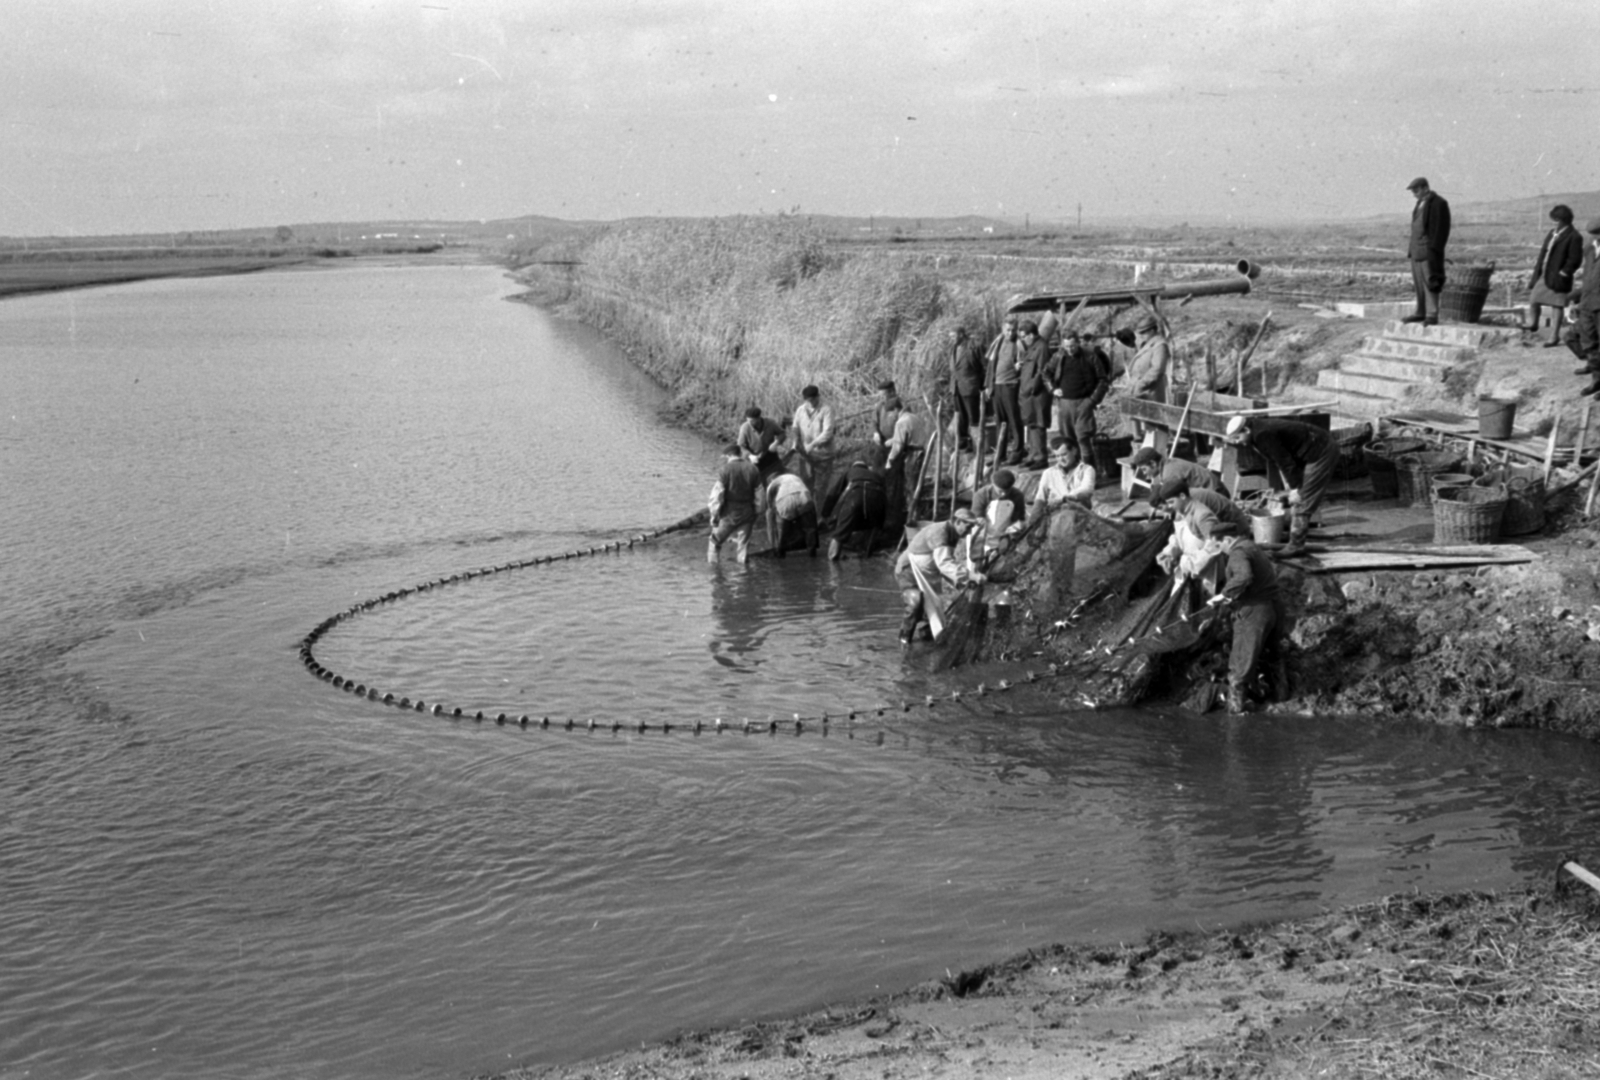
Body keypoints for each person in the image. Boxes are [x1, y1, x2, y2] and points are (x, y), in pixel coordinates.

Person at [1202, 523, 1288, 715]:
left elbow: (1244, 576)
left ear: (1227, 539)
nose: (1220, 550)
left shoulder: (1237, 553)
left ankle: (1235, 715)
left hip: (1254, 612)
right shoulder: (1252, 547)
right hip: (1275, 608)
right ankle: (1283, 698)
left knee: (1239, 666)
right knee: (1274, 655)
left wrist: (1224, 595)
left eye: (1219, 545)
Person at [1224, 415, 1339, 553]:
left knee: (1302, 499)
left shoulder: (1262, 434)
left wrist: (1295, 489)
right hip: (1308, 448)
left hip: (1321, 451)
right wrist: (1289, 487)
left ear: (1246, 430)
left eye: (1238, 437)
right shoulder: (1255, 432)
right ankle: (1295, 538)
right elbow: (1278, 461)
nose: (1237, 442)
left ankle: (1296, 545)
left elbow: (1285, 463)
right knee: (1299, 496)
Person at [894, 508, 986, 644]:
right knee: (915, 601)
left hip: (928, 573)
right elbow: (944, 564)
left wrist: (960, 583)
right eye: (968, 527)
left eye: (971, 528)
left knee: (932, 609)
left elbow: (942, 566)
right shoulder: (940, 532)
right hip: (907, 571)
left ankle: (928, 639)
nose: (969, 532)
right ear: (957, 522)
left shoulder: (953, 535)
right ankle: (904, 641)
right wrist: (971, 576)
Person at [1150, 475, 1254, 585]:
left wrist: (1189, 564)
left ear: (1182, 496)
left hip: (1210, 572)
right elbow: (1181, 534)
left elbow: (1215, 546)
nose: (1169, 506)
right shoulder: (1185, 509)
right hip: (1199, 567)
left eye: (1171, 502)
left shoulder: (1201, 515)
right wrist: (1169, 553)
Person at [1045, 327, 1111, 467]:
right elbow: (1046, 374)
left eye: (1073, 346)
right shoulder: (1058, 356)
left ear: (1078, 343)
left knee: (1083, 438)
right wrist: (1053, 389)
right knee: (1068, 441)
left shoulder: (1090, 356)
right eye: (1066, 346)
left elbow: (1103, 380)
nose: (1070, 349)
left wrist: (1092, 400)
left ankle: (1090, 471)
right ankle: (1073, 470)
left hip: (1084, 403)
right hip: (1064, 404)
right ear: (1063, 344)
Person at [1524, 205, 1582, 349]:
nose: (1553, 222)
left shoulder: (1574, 236)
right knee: (1534, 298)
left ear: (1564, 220)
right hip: (1544, 273)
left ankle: (1554, 336)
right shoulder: (1552, 233)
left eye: (1556, 220)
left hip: (1559, 276)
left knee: (1557, 304)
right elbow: (1544, 252)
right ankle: (1533, 323)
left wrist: (1564, 272)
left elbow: (1575, 259)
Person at [818, 451, 888, 560]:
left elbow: (833, 494)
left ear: (853, 466)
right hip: (878, 500)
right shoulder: (875, 475)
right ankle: (867, 554)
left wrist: (825, 514)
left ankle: (832, 562)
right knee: (874, 527)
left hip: (857, 496)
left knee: (840, 532)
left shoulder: (849, 472)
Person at [1404, 177, 1451, 326]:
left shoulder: (1439, 203)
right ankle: (1420, 312)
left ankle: (1432, 314)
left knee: (1431, 282)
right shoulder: (1419, 204)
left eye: (1416, 191)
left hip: (1428, 251)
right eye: (1413, 192)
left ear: (1425, 188)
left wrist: (1434, 250)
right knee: (1419, 283)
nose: (1414, 194)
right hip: (1416, 251)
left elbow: (1441, 230)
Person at [707, 443, 763, 565]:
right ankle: (743, 572)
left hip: (729, 514)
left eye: (726, 457)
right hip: (748, 512)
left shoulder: (724, 470)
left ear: (729, 455)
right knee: (743, 546)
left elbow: (716, 497)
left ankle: (714, 570)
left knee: (714, 541)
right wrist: (757, 511)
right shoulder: (753, 469)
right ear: (740, 454)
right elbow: (759, 494)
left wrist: (714, 516)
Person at [984, 315, 1025, 466]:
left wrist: (1018, 367)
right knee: (1000, 422)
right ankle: (1000, 454)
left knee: (1014, 420)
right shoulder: (998, 341)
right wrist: (988, 385)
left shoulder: (1019, 344)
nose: (1010, 333)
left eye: (1013, 330)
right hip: (997, 385)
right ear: (1003, 329)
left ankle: (1017, 452)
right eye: (1008, 330)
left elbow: (1024, 362)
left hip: (1010, 385)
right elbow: (991, 366)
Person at [884, 396, 930, 523]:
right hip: (921, 453)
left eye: (890, 413)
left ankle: (912, 517)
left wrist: (889, 461)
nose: (890, 417)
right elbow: (910, 435)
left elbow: (897, 447)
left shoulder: (901, 422)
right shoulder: (914, 417)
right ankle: (918, 512)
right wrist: (893, 440)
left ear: (895, 409)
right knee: (917, 484)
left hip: (912, 456)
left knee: (910, 486)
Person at [1569, 218, 1600, 394]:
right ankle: (1597, 379)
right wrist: (1578, 299)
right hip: (1588, 303)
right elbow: (1589, 278)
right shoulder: (1589, 249)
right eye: (1594, 234)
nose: (1596, 238)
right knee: (1589, 343)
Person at [1031, 437, 1096, 517]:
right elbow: (1040, 499)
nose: (1061, 459)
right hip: (1056, 515)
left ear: (1074, 451)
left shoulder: (1087, 470)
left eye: (1064, 455)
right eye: (1057, 456)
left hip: (1081, 515)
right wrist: (1033, 519)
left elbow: (1086, 490)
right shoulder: (1048, 473)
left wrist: (1064, 498)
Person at [1128, 446, 1227, 498]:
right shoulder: (1169, 462)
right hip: (1215, 489)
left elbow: (1181, 499)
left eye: (1144, 469)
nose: (1144, 473)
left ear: (1153, 463)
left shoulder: (1169, 474)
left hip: (1216, 494)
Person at [1017, 320, 1051, 468]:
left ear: (1031, 334)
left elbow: (1042, 371)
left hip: (1036, 394)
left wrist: (1031, 389)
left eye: (1024, 336)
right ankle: (1033, 455)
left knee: (1038, 424)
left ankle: (1041, 458)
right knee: (1031, 423)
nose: (1023, 339)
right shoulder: (1032, 347)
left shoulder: (1041, 347)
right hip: (1028, 393)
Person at [791, 384, 836, 496]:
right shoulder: (800, 410)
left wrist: (812, 445)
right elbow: (795, 427)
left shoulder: (826, 410)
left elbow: (827, 432)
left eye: (812, 400)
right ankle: (809, 504)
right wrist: (796, 440)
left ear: (818, 397)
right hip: (805, 455)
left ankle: (820, 506)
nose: (810, 402)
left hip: (823, 455)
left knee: (820, 487)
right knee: (806, 483)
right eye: (808, 400)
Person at [764, 469, 819, 558]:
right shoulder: (794, 477)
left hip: (785, 500)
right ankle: (812, 552)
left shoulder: (772, 484)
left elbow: (770, 507)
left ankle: (779, 552)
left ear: (771, 480)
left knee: (782, 528)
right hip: (805, 498)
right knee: (809, 528)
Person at [947, 327, 986, 452]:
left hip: (970, 387)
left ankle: (977, 445)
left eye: (953, 336)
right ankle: (963, 442)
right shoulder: (953, 348)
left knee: (973, 418)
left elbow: (984, 366)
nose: (951, 339)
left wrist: (983, 385)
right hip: (956, 387)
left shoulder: (974, 346)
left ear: (961, 334)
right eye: (950, 337)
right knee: (960, 417)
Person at [971, 468, 1027, 546]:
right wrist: (980, 521)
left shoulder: (1017, 496)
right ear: (993, 485)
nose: (1003, 494)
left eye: (1007, 491)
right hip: (983, 534)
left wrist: (1013, 532)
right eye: (1000, 491)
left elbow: (1019, 519)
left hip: (1005, 535)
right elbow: (976, 517)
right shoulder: (981, 495)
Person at [1125, 313, 1170, 407]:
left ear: (1152, 331)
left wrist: (1140, 385)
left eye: (1144, 332)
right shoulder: (1147, 344)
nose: (1141, 335)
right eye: (1140, 333)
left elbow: (1157, 370)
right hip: (1141, 392)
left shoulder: (1159, 346)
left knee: (1150, 415)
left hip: (1150, 393)